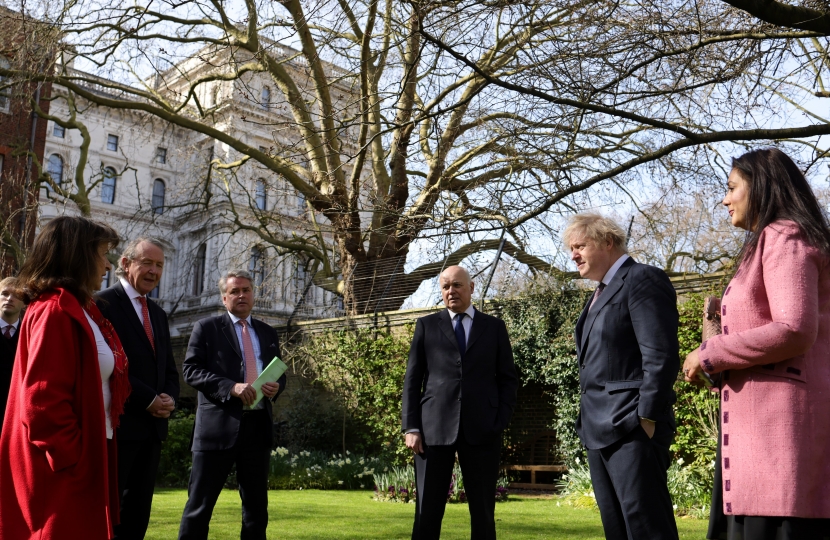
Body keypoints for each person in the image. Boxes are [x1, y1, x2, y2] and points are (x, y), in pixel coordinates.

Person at [683, 148, 830, 540]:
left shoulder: (785, 236)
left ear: (762, 186)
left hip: (778, 438)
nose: (725, 199)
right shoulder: (770, 240)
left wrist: (709, 354)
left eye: (732, 187)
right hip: (760, 438)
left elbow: (795, 328)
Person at [0, 216, 129, 539]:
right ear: (79, 255)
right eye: (102, 254)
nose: (108, 265)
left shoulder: (79, 307)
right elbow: (42, 401)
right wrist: (74, 457)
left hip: (81, 458)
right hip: (60, 468)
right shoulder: (55, 309)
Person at [566, 213, 679, 540]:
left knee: (647, 529)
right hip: (597, 430)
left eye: (580, 246)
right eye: (571, 249)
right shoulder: (598, 295)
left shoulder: (642, 279)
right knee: (617, 530)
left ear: (607, 242)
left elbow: (660, 355)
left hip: (632, 427)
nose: (573, 256)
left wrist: (647, 417)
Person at [402, 265, 519, 540]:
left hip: (483, 429)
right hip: (432, 430)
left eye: (456, 285)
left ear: (471, 288)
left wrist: (500, 420)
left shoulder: (494, 327)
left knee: (483, 512)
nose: (451, 291)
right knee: (427, 511)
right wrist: (411, 427)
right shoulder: (426, 326)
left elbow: (508, 379)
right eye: (445, 287)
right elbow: (412, 380)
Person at [178, 270, 286, 540]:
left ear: (253, 295)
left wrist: (276, 386)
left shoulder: (268, 332)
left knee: (256, 510)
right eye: (234, 291)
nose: (241, 295)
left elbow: (279, 372)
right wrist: (230, 387)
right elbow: (191, 371)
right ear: (224, 298)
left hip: (257, 428)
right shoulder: (207, 328)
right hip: (217, 429)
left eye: (246, 290)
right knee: (199, 507)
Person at [97, 237, 180, 540]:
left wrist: (169, 397)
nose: (154, 271)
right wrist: (148, 399)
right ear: (125, 263)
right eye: (147, 263)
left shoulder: (157, 313)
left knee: (138, 514)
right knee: (111, 516)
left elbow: (168, 368)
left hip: (152, 430)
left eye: (159, 265)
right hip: (119, 426)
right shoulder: (102, 304)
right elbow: (108, 367)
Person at [0, 276, 24, 433]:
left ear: (25, 302)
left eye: (17, 295)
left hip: (15, 416)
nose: (9, 299)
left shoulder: (30, 335)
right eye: (5, 293)